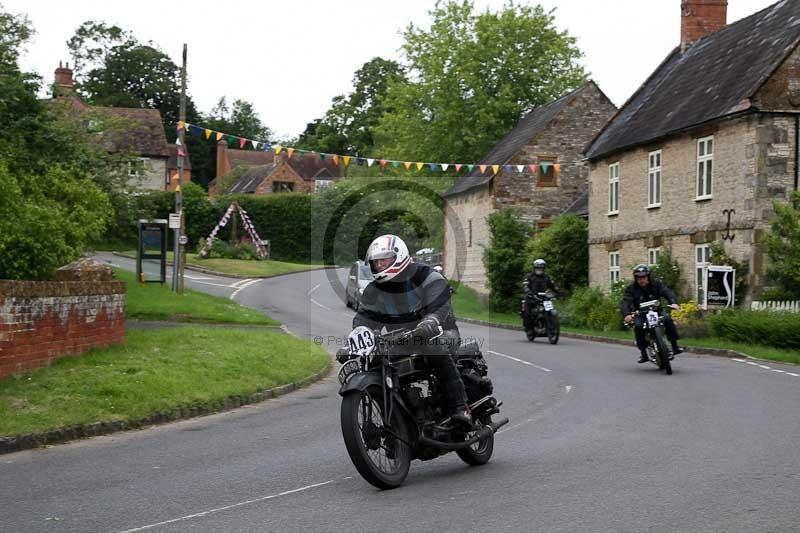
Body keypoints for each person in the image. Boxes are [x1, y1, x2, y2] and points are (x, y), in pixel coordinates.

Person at [348, 234, 472, 426]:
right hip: (402, 340)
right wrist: (356, 341)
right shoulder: (374, 290)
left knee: (433, 348)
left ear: (399, 255)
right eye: (376, 262)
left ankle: (460, 407)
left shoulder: (425, 275)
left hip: (441, 332)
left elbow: (440, 302)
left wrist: (430, 321)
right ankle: (400, 417)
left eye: (384, 260)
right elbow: (364, 318)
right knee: (376, 359)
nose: (379, 265)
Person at [621, 264, 683, 363]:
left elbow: (666, 292)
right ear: (635, 278)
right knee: (638, 326)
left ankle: (675, 346)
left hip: (656, 311)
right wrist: (627, 314)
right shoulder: (631, 289)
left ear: (648, 276)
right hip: (641, 314)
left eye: (644, 277)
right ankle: (643, 353)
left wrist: (673, 302)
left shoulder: (656, 284)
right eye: (639, 277)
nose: (642, 279)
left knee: (667, 319)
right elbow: (625, 302)